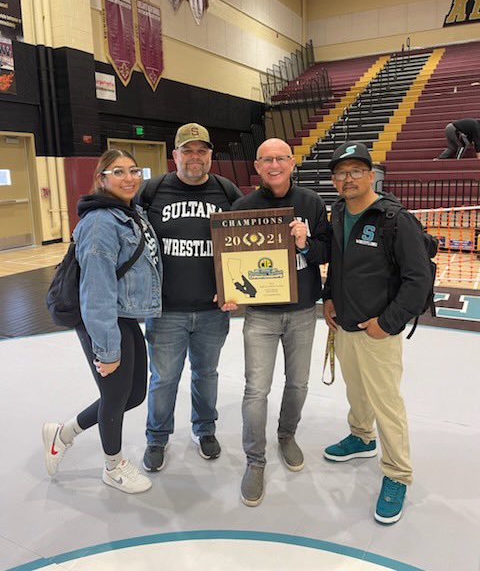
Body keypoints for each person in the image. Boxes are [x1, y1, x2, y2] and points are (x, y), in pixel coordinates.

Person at [322, 141, 431, 524]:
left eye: (355, 171)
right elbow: (338, 262)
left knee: (386, 403)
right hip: (345, 323)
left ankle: (397, 474)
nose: (347, 179)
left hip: (377, 332)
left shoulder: (394, 219)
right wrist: (328, 298)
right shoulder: (338, 212)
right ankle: (361, 437)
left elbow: (418, 281)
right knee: (357, 392)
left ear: (372, 175)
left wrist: (387, 324)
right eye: (340, 173)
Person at [42, 150, 162, 494]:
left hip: (124, 315)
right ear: (102, 178)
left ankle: (63, 434)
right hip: (105, 318)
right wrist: (107, 349)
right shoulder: (100, 223)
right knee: (115, 395)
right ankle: (113, 466)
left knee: (134, 394)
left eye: (133, 170)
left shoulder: (130, 212)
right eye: (119, 172)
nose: (129, 178)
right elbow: (96, 291)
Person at [232, 138, 330, 507]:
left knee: (299, 384)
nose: (274, 165)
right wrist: (230, 290)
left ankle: (286, 436)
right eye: (266, 160)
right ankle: (254, 460)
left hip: (304, 310)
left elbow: (326, 250)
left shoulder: (312, 203)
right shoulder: (243, 208)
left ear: (292, 162)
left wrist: (306, 244)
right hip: (260, 315)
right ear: (257, 166)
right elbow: (233, 262)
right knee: (256, 391)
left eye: (280, 159)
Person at [139, 123, 242, 473]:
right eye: (188, 150)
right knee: (164, 377)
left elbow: (245, 242)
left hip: (214, 309)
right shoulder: (153, 191)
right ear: (175, 156)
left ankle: (205, 429)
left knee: (206, 374)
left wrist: (237, 286)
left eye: (202, 151)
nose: (195, 157)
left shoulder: (227, 191)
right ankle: (156, 437)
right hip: (165, 310)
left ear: (211, 156)